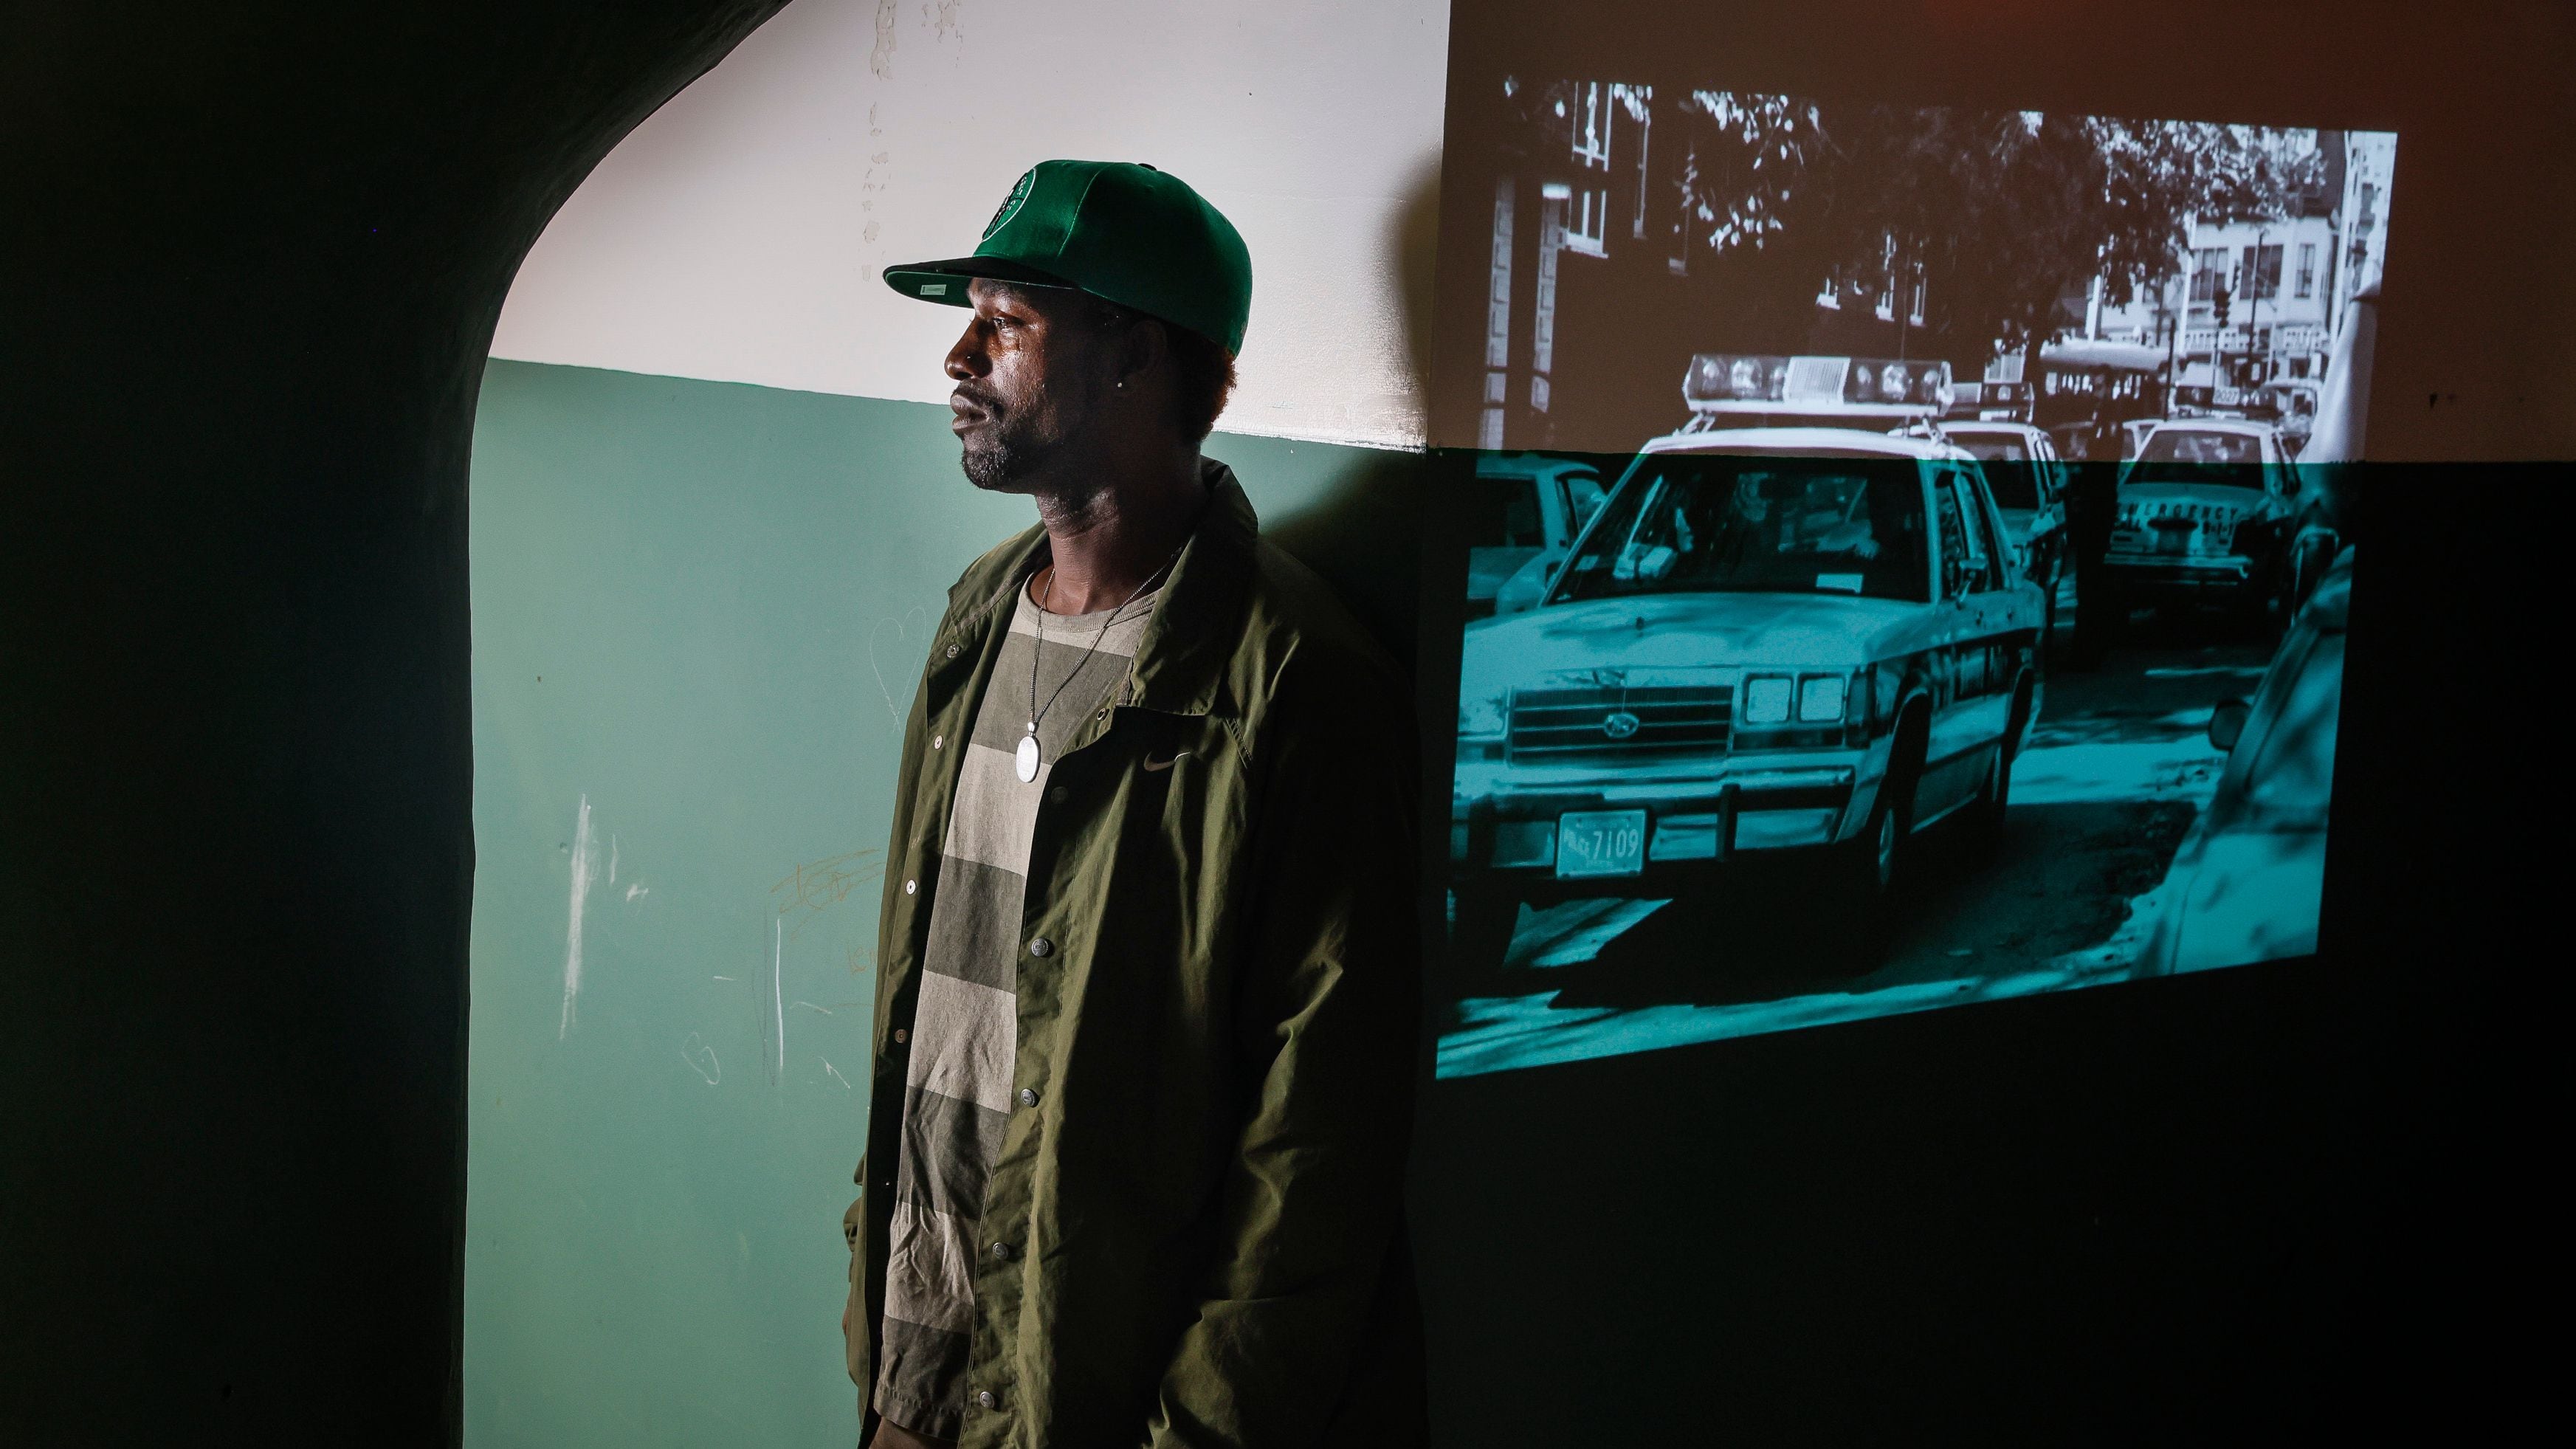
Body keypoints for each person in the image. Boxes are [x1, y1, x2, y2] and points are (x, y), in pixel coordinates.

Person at [841, 160, 1425, 1449]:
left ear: (1134, 358)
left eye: (1008, 321)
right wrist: (892, 1360)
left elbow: (1318, 1150)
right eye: (971, 316)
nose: (958, 355)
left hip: (1106, 1403)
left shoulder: (1294, 686)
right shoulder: (977, 620)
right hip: (922, 1374)